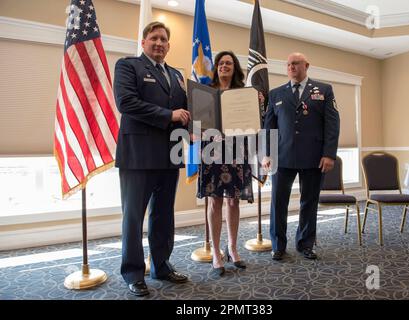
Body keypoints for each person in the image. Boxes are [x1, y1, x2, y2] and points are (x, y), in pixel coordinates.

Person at [113, 21, 190, 296]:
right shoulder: (128, 66)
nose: (159, 43)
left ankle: (162, 266)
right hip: (138, 156)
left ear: (169, 46)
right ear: (144, 42)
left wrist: (196, 130)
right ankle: (133, 273)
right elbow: (126, 102)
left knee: (163, 215)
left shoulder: (177, 75)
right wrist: (169, 116)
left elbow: (187, 111)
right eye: (154, 38)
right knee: (133, 217)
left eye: (164, 40)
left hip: (170, 154)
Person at [262, 52, 340, 261]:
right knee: (278, 203)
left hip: (313, 157)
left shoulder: (324, 90)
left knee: (309, 201)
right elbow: (269, 127)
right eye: (288, 64)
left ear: (306, 65)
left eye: (295, 63)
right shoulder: (276, 94)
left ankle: (306, 244)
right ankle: (278, 245)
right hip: (282, 157)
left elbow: (332, 124)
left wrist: (329, 154)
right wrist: (267, 154)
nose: (291, 67)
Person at [197, 51, 254, 276]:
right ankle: (216, 253)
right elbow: (197, 122)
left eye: (229, 63)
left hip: (237, 150)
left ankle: (232, 247)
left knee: (234, 202)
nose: (224, 66)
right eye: (221, 63)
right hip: (211, 151)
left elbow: (252, 123)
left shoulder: (243, 94)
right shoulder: (206, 93)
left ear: (235, 67)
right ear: (216, 67)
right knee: (215, 202)